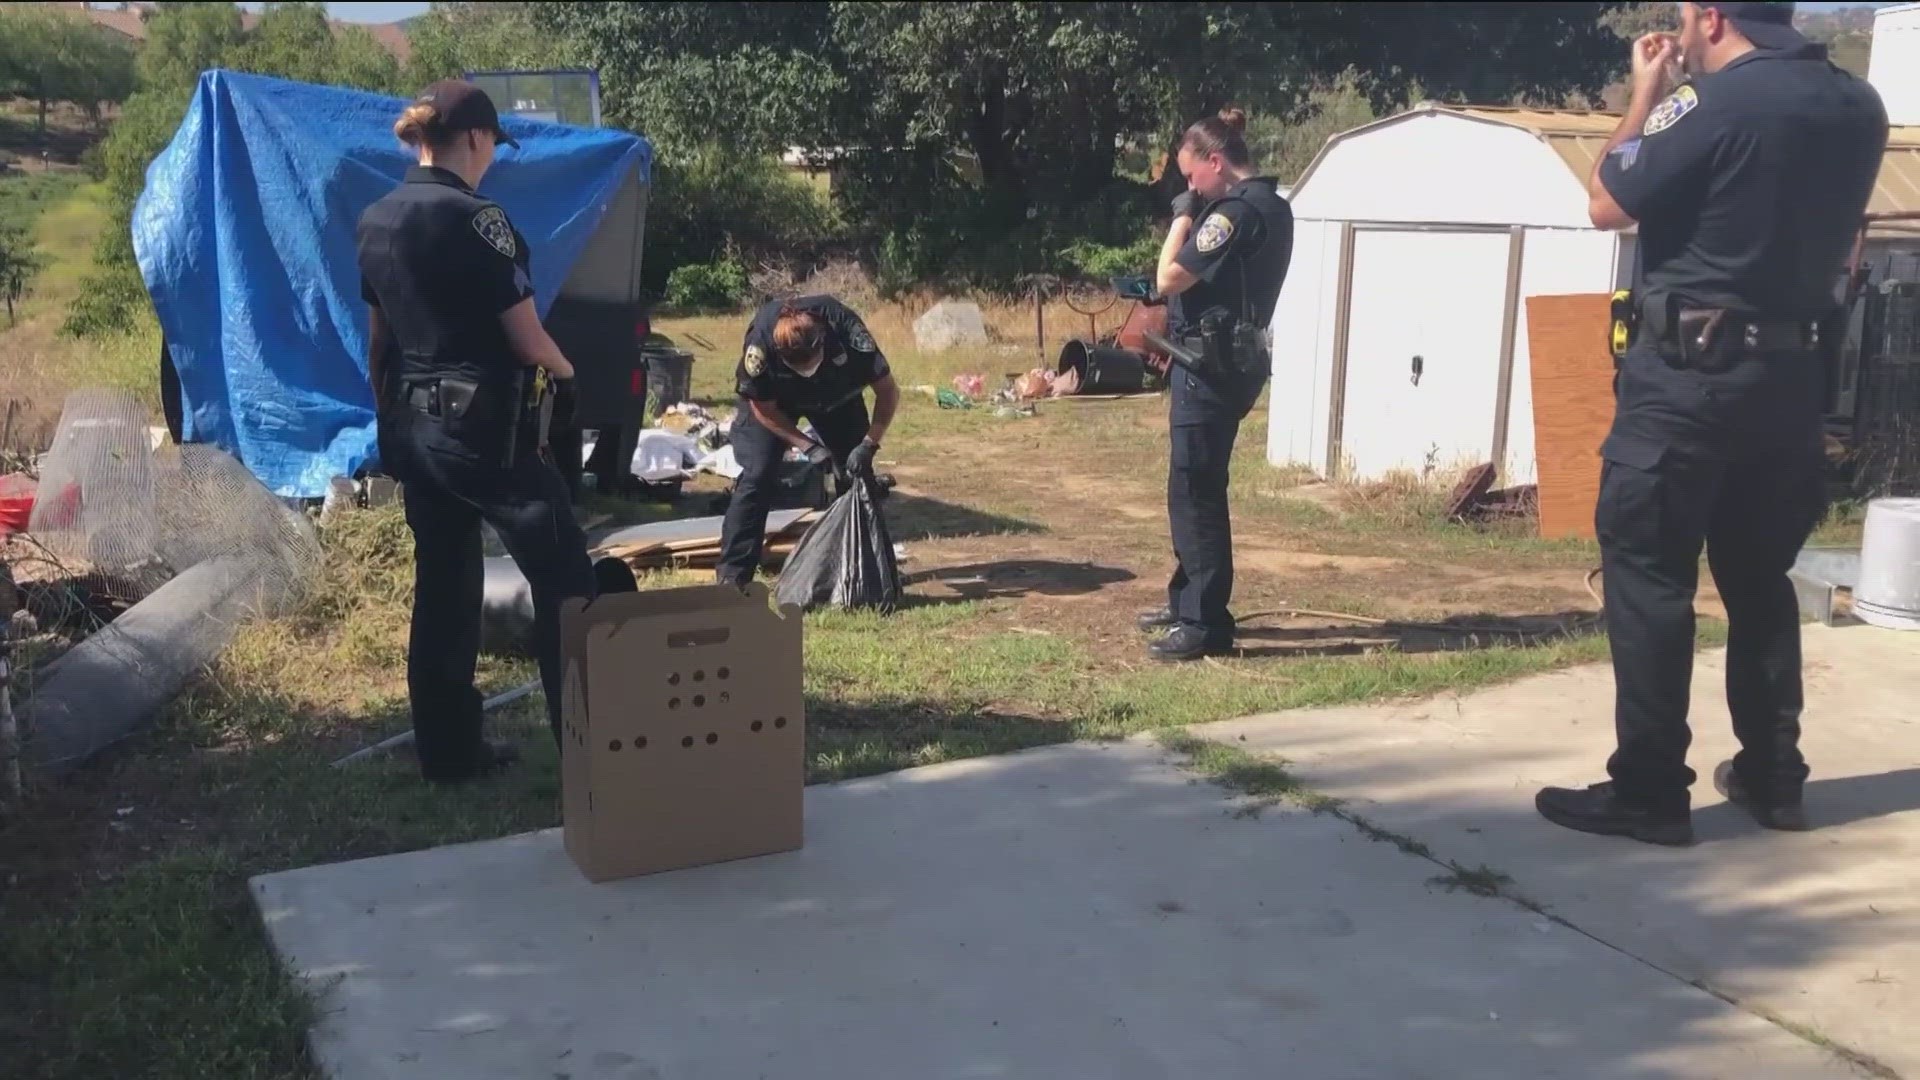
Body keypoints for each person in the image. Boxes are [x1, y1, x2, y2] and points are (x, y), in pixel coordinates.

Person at [1535, 2, 1887, 845]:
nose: (1683, 33)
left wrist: (1646, 92)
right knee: (1761, 577)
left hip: (1690, 382)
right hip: (1793, 378)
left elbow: (1608, 198)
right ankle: (1775, 776)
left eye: (1688, 19)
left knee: (1651, 574)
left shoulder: (1712, 103)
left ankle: (1651, 788)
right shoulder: (1858, 106)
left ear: (1713, 18)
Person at [356, 80, 599, 783]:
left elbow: (379, 342)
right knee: (566, 582)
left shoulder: (376, 217)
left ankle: (448, 753)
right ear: (474, 139)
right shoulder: (479, 220)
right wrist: (568, 369)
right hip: (483, 433)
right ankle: (592, 752)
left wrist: (390, 423)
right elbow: (525, 339)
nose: (494, 155)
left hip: (414, 430)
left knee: (444, 586)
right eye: (494, 142)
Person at [1136, 108, 1295, 662]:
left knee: (1196, 491)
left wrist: (1183, 217)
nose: (1188, 187)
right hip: (1224, 362)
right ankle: (1187, 603)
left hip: (1209, 369)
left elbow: (1168, 277)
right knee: (1190, 487)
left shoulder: (1234, 213)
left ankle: (1204, 625)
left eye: (1191, 177)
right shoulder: (1273, 207)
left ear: (1215, 161)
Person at [716, 296, 901, 588]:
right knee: (758, 475)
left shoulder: (846, 331)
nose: (805, 371)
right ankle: (733, 577)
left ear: (823, 342)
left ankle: (863, 571)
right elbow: (762, 406)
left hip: (836, 398)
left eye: (810, 362)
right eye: (795, 365)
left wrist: (868, 444)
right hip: (777, 404)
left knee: (856, 477)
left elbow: (888, 392)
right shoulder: (762, 343)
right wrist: (805, 445)